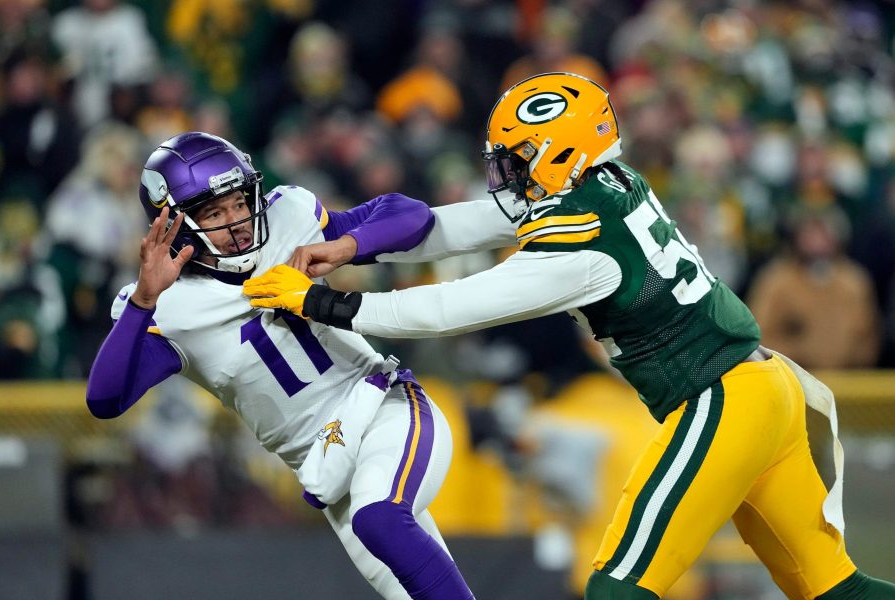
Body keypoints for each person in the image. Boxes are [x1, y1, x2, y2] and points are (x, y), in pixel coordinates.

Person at [243, 73, 895, 600]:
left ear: (559, 155)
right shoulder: (611, 183)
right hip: (766, 387)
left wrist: (320, 302)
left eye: (515, 159)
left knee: (618, 587)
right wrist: (351, 244)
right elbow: (457, 225)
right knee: (833, 588)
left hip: (723, 399)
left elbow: (445, 309)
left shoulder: (577, 249)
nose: (504, 174)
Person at [84, 131, 516, 600]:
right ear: (175, 225)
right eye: (213, 212)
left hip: (382, 408)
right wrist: (144, 302)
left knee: (381, 516)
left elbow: (411, 216)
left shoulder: (289, 216)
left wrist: (346, 245)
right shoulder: (169, 308)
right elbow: (105, 400)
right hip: (329, 470)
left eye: (238, 202)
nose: (237, 222)